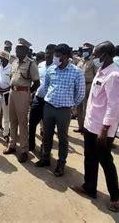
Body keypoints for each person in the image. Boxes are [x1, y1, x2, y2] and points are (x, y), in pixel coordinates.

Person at [70, 41, 119, 212]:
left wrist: (104, 131)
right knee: (90, 158)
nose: (93, 57)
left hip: (102, 130)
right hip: (91, 125)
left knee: (106, 162)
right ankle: (89, 187)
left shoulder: (114, 75)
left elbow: (113, 106)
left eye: (96, 54)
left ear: (106, 55)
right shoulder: (102, 71)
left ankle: (115, 197)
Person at [35, 44, 85, 177]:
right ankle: (46, 158)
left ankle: (61, 163)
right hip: (49, 107)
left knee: (63, 138)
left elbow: (80, 93)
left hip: (64, 110)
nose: (54, 57)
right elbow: (46, 87)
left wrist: (71, 105)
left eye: (57, 55)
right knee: (47, 134)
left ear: (65, 57)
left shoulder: (76, 72)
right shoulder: (51, 69)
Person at [3, 38, 40, 163]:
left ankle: (24, 150)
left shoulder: (31, 64)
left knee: (22, 122)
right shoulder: (14, 62)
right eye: (16, 48)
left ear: (25, 50)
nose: (16, 51)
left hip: (23, 93)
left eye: (19, 49)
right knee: (12, 120)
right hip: (12, 92)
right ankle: (12, 145)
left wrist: (28, 92)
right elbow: (12, 77)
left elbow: (37, 82)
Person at [28, 44, 56, 152]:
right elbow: (34, 80)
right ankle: (31, 145)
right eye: (47, 52)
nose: (48, 55)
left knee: (47, 128)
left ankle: (44, 150)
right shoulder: (40, 65)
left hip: (49, 102)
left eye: (51, 53)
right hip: (37, 99)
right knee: (32, 123)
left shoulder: (57, 67)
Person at [74, 43, 98, 133]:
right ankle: (80, 126)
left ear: (91, 51)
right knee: (79, 108)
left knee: (87, 108)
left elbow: (96, 75)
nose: (84, 52)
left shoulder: (94, 62)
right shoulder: (80, 61)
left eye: (86, 50)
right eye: (83, 50)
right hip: (79, 86)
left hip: (89, 86)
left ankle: (87, 128)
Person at [0, 49, 12, 141]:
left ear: (5, 58)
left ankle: (6, 133)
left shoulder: (11, 68)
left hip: (6, 93)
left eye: (0, 57)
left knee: (6, 115)